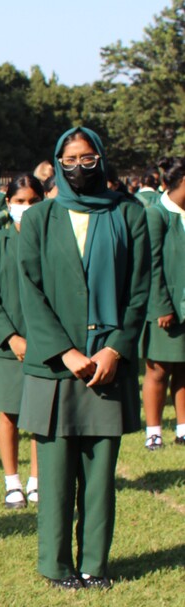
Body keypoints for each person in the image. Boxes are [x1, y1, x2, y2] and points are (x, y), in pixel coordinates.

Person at [18, 126, 149, 590]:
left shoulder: (129, 214)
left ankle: (95, 564)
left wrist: (115, 348)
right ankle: (56, 567)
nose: (79, 166)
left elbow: (140, 289)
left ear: (102, 159)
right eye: (70, 159)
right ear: (57, 162)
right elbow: (29, 293)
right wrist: (67, 351)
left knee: (99, 476)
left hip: (108, 363)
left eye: (88, 157)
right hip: (56, 367)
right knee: (54, 476)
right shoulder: (38, 219)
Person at [0, 173, 43, 509]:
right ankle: (12, 482)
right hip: (8, 346)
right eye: (20, 202)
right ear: (8, 204)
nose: (26, 208)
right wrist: (11, 337)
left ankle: (36, 480)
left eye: (33, 201)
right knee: (9, 413)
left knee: (40, 414)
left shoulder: (51, 241)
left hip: (46, 344)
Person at [140, 157, 185, 450]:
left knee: (184, 370)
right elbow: (151, 263)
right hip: (166, 309)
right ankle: (153, 430)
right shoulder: (157, 215)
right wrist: (161, 306)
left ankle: (182, 428)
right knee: (158, 370)